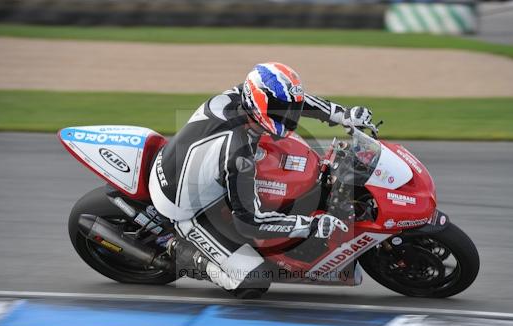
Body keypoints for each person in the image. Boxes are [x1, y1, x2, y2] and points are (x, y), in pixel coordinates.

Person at [148, 62, 376, 298]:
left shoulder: (244, 97)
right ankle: (179, 249)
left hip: (193, 166)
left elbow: (300, 101)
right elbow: (250, 221)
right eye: (281, 108)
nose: (289, 115)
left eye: (289, 108)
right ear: (260, 102)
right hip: (182, 204)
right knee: (253, 279)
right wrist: (311, 226)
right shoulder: (239, 153)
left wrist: (344, 115)